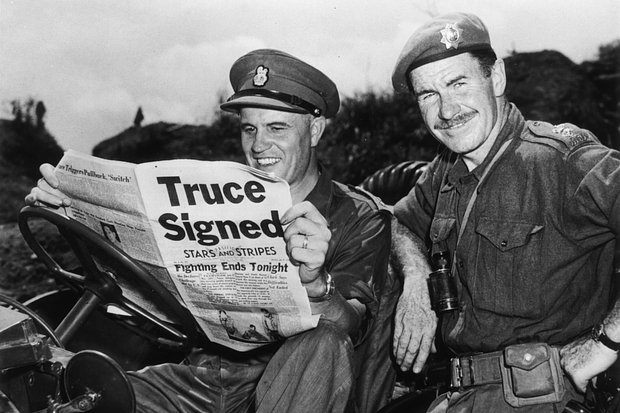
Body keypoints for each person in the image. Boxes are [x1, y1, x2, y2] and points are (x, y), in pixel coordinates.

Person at [25, 49, 402, 413]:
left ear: (315, 130)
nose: (259, 145)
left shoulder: (358, 216)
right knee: (82, 394)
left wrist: (318, 287)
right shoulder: (213, 199)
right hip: (205, 379)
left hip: (295, 381)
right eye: (249, 129)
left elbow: (351, 325)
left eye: (277, 128)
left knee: (323, 339)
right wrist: (75, 211)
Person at [390, 12, 620, 412]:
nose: (447, 110)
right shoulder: (446, 171)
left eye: (458, 83)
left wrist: (606, 341)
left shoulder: (560, 161)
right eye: (428, 95)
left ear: (496, 78)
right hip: (459, 392)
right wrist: (415, 279)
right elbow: (399, 222)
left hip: (541, 394)